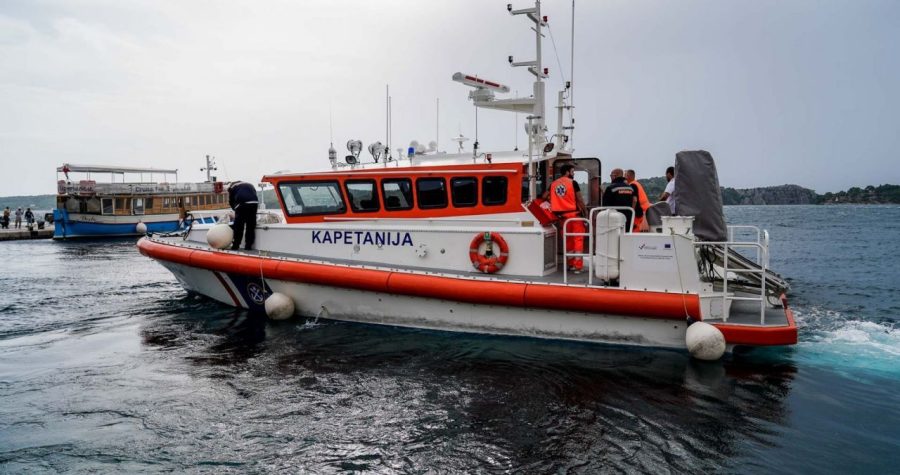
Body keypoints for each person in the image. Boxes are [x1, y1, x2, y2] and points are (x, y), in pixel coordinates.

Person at [542, 163, 587, 273]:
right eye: (572, 172)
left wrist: (554, 201)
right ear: (567, 172)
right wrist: (585, 211)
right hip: (575, 216)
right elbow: (580, 199)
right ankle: (578, 266)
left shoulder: (553, 184)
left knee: (568, 241)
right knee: (578, 240)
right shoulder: (573, 183)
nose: (573, 174)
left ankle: (571, 264)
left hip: (562, 218)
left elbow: (544, 196)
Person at [228, 181, 259, 251]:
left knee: (239, 226)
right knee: (250, 226)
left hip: (242, 204)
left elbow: (231, 201)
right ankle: (248, 246)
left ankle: (235, 246)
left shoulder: (232, 187)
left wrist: (235, 210)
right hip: (254, 203)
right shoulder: (250, 184)